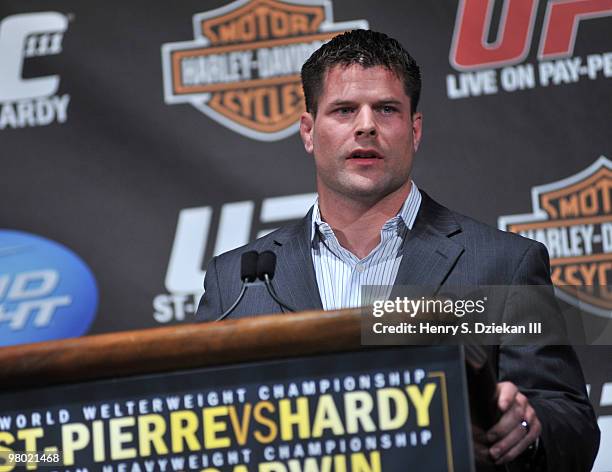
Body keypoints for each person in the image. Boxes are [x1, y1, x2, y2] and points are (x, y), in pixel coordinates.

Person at [196, 30, 599, 470]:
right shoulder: (236, 280)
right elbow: (195, 424)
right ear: (309, 132)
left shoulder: (503, 263)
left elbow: (572, 423)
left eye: (386, 109)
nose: (366, 125)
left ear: (415, 128)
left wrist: (528, 426)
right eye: (344, 110)